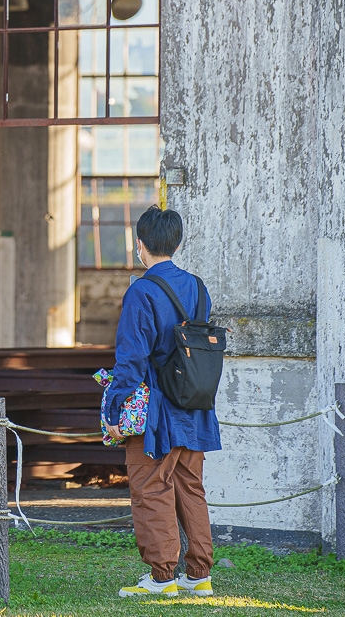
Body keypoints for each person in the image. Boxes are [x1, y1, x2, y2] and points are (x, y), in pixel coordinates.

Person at [105, 205, 220, 598]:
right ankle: (199, 575)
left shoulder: (141, 291)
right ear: (176, 242)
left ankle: (161, 578)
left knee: (150, 487)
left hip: (155, 410)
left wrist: (115, 410)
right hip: (194, 403)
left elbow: (131, 359)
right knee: (191, 487)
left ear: (140, 244)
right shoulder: (198, 287)